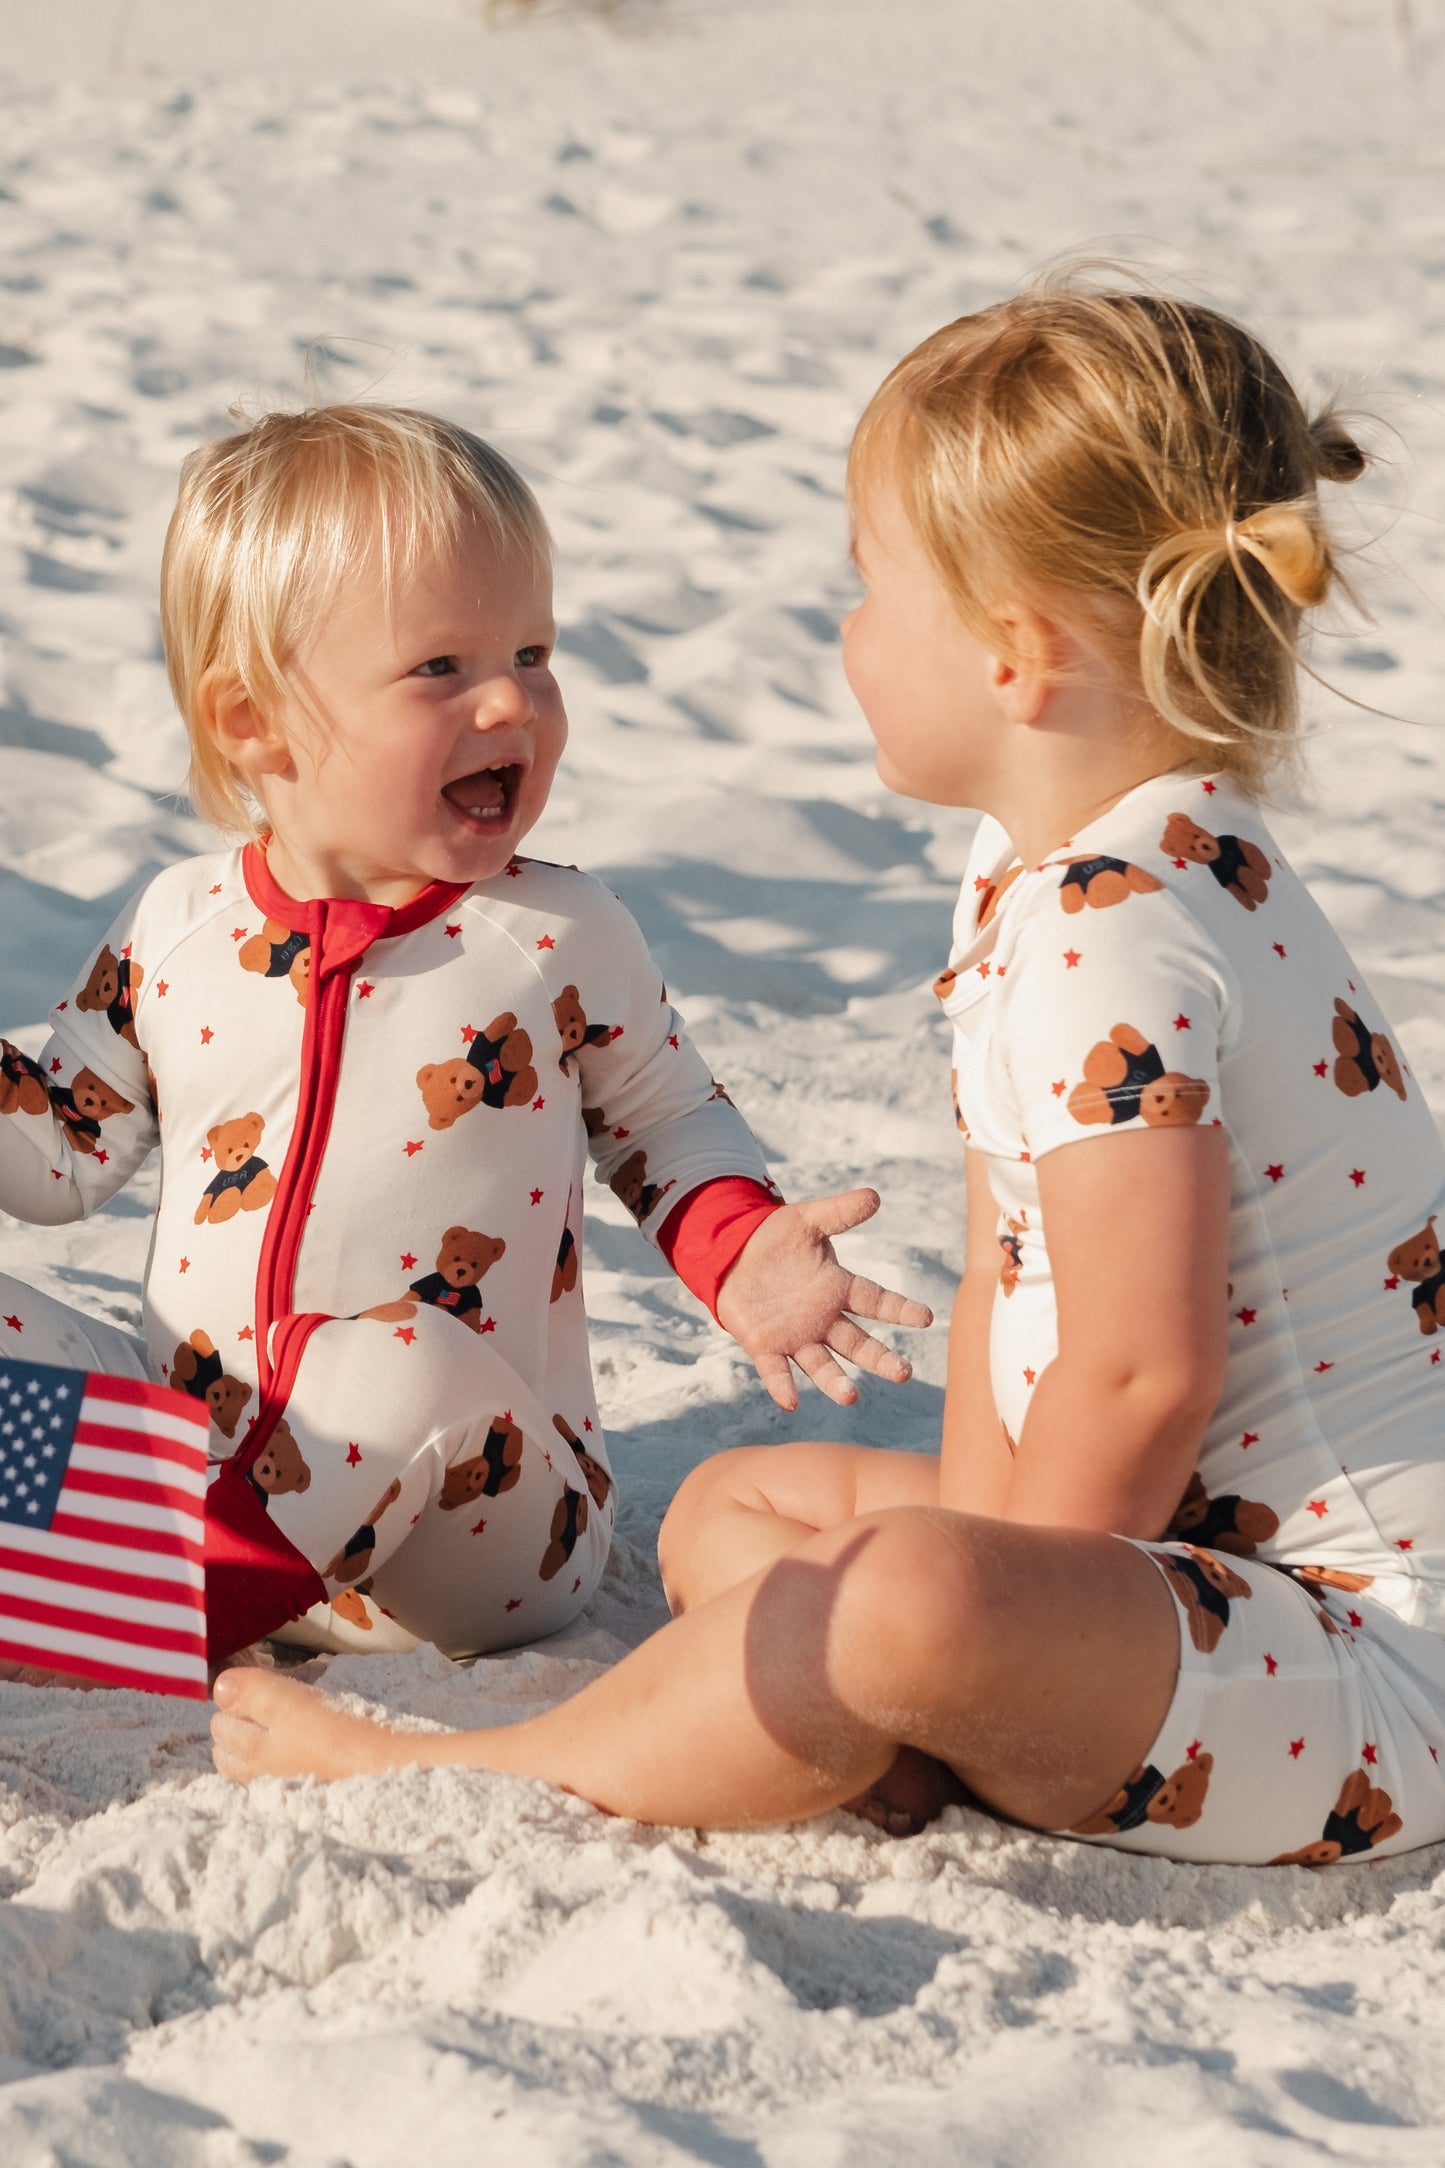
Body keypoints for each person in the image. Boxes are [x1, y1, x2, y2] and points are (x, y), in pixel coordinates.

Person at [214, 285, 1445, 1868]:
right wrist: (990, 1584)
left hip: (1356, 1673)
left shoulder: (1115, 933)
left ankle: (478, 1770)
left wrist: (994, 1608)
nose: (848, 631)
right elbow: (1020, 1302)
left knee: (912, 1598)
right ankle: (909, 1725)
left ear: (1013, 654)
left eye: (871, 590)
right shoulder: (1051, 871)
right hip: (1195, 1588)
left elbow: (1141, 1376)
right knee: (741, 1508)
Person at [0, 403, 929, 1683]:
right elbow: (59, 1146)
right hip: (209, 1465)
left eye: (533, 651)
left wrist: (739, 1247)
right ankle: (127, 1566)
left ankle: (140, 1623)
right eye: (442, 667)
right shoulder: (176, 925)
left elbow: (664, 1118)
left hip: (476, 1521)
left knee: (395, 1355)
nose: (514, 699)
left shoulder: (551, 931)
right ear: (253, 723)